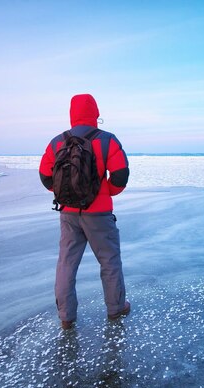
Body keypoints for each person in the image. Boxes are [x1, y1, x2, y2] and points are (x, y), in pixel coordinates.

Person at [39, 94, 130, 330]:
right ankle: (116, 309)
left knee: (66, 264)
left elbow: (45, 176)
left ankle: (66, 317)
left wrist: (65, 195)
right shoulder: (108, 140)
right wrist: (104, 193)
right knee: (109, 261)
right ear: (95, 113)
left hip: (68, 214)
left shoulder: (57, 142)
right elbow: (120, 175)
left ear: (72, 114)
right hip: (99, 215)